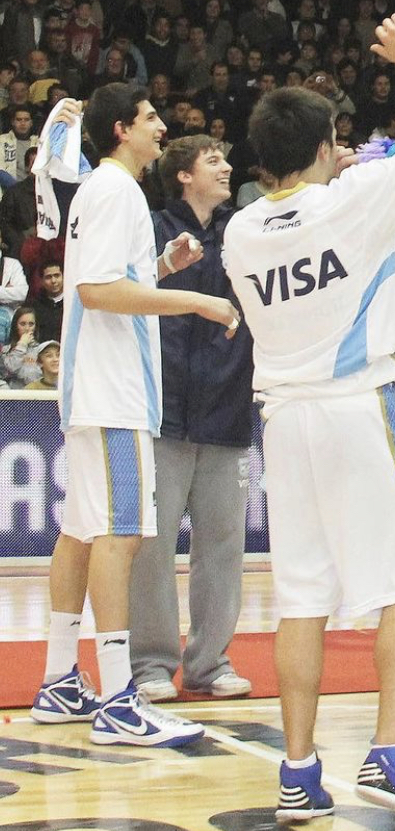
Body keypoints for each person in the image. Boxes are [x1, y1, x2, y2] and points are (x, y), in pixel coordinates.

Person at [223, 13, 395, 825]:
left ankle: (298, 772)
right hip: (361, 406)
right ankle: (391, 756)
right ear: (328, 146)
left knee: (301, 599)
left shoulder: (240, 229)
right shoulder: (355, 200)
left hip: (284, 422)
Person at [30, 87, 238, 747]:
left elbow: (112, 280)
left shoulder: (105, 189)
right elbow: (96, 291)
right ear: (123, 129)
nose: (161, 127)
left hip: (95, 389)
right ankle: (121, 696)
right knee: (120, 536)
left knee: (83, 535)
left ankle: (61, 678)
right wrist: (195, 301)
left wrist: (157, 266)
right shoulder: (116, 190)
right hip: (114, 392)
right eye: (151, 119)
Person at [128, 135, 255, 703]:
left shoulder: (245, 231)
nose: (227, 167)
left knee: (224, 542)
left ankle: (211, 662)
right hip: (164, 409)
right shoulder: (150, 226)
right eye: (213, 160)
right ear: (182, 174)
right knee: (152, 546)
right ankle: (151, 663)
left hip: (227, 406)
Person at [2, 305, 41, 387]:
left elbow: (34, 379)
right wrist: (22, 344)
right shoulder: (6, 350)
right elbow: (11, 367)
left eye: (31, 324)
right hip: (13, 396)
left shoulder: (41, 349)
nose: (27, 328)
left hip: (37, 395)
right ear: (16, 326)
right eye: (22, 324)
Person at [30, 260, 66, 342]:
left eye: (57, 276)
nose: (53, 281)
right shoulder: (34, 305)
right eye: (48, 277)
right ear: (42, 281)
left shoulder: (72, 303)